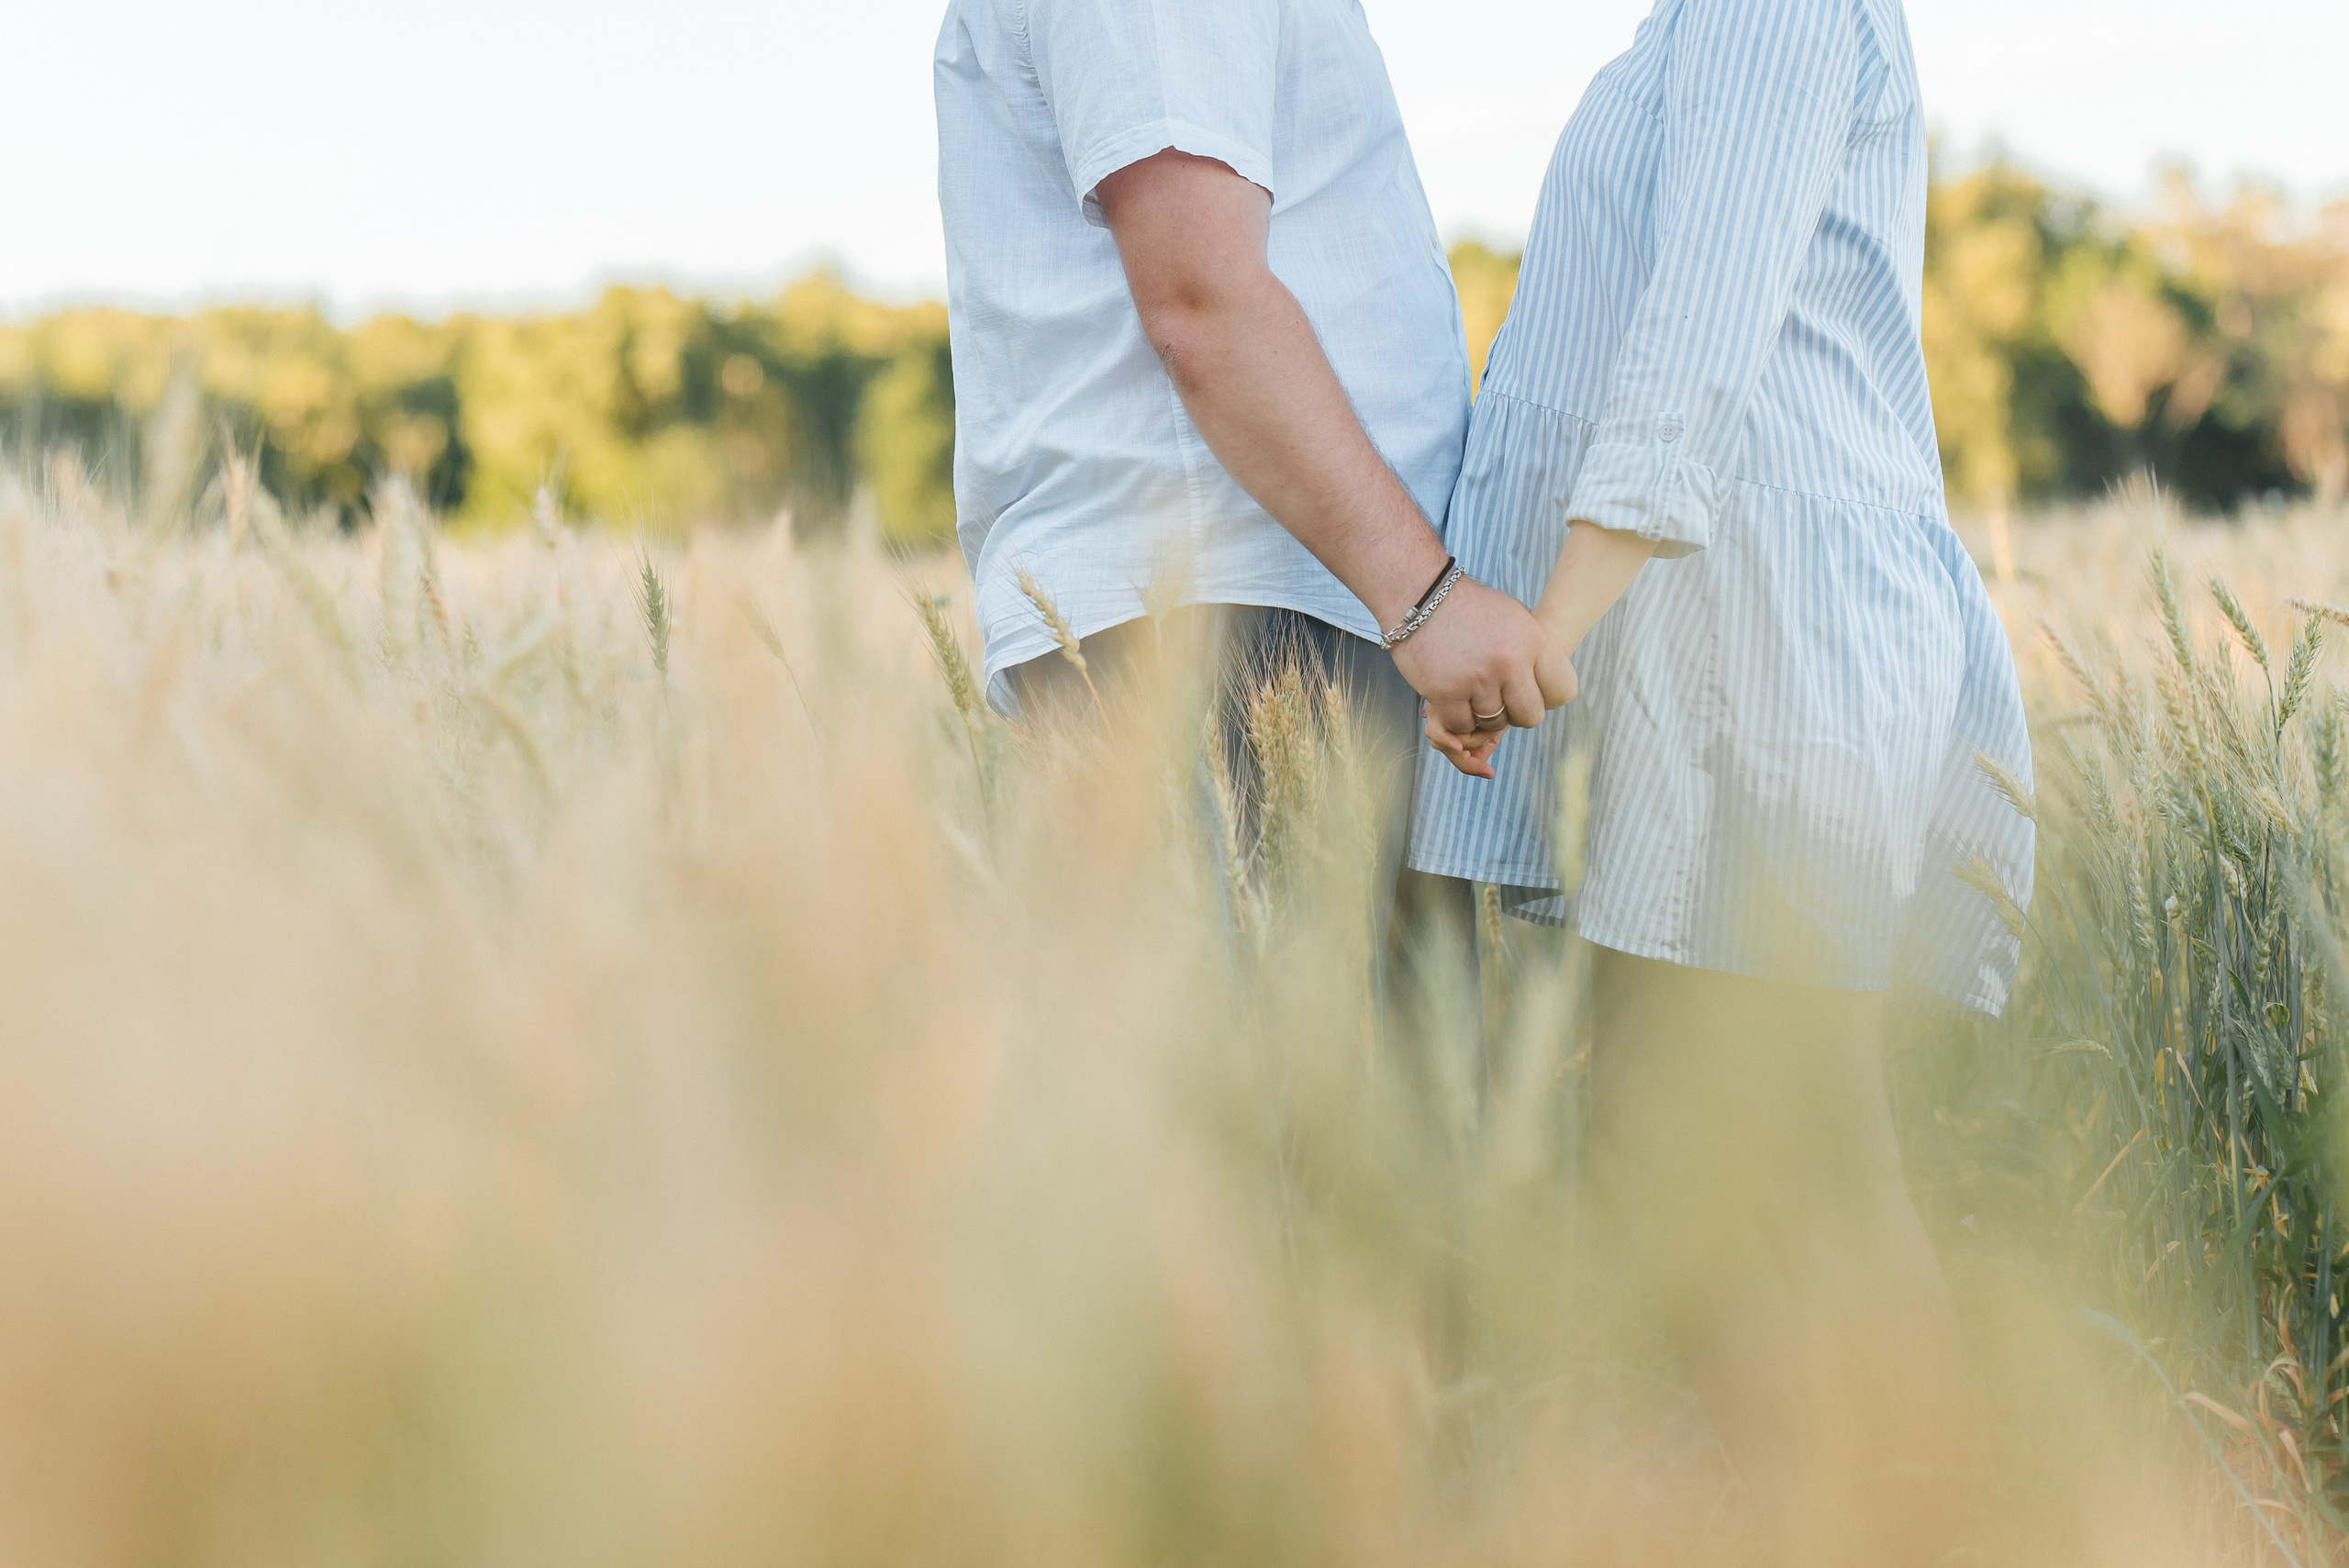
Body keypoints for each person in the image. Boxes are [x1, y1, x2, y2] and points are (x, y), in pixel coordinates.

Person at [1409, 0, 2035, 1558]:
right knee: (1666, 1153)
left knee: (1794, 1154)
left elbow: (1703, 324)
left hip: (1774, 649)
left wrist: (1540, 632)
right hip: (1700, 646)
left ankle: (1914, 1529)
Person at [932, 0, 1557, 986]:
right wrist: (1422, 595)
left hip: (1268, 605)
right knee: (1307, 1116)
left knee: (1329, 1113)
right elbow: (1199, 297)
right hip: (1239, 619)